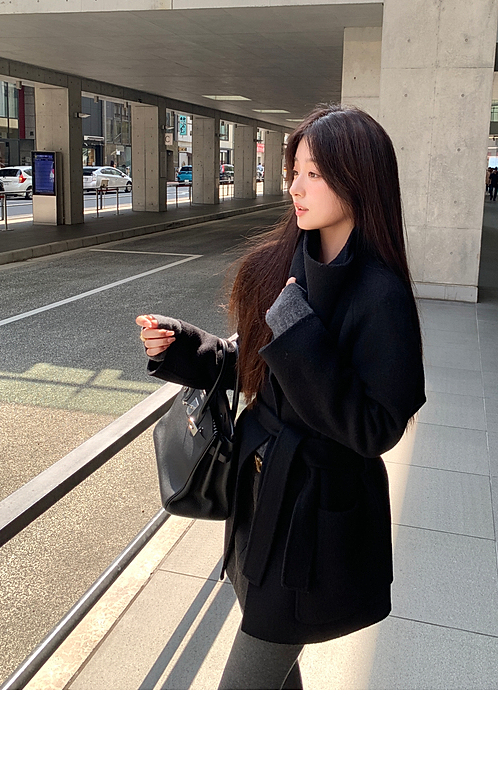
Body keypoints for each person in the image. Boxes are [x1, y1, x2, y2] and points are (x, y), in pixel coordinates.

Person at [136, 105, 426, 690]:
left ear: (360, 177)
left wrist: (297, 331)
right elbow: (253, 363)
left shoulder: (381, 293)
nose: (295, 187)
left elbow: (376, 427)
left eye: (314, 173)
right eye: (295, 171)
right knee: (274, 676)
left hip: (310, 528)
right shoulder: (283, 264)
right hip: (256, 503)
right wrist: (182, 346)